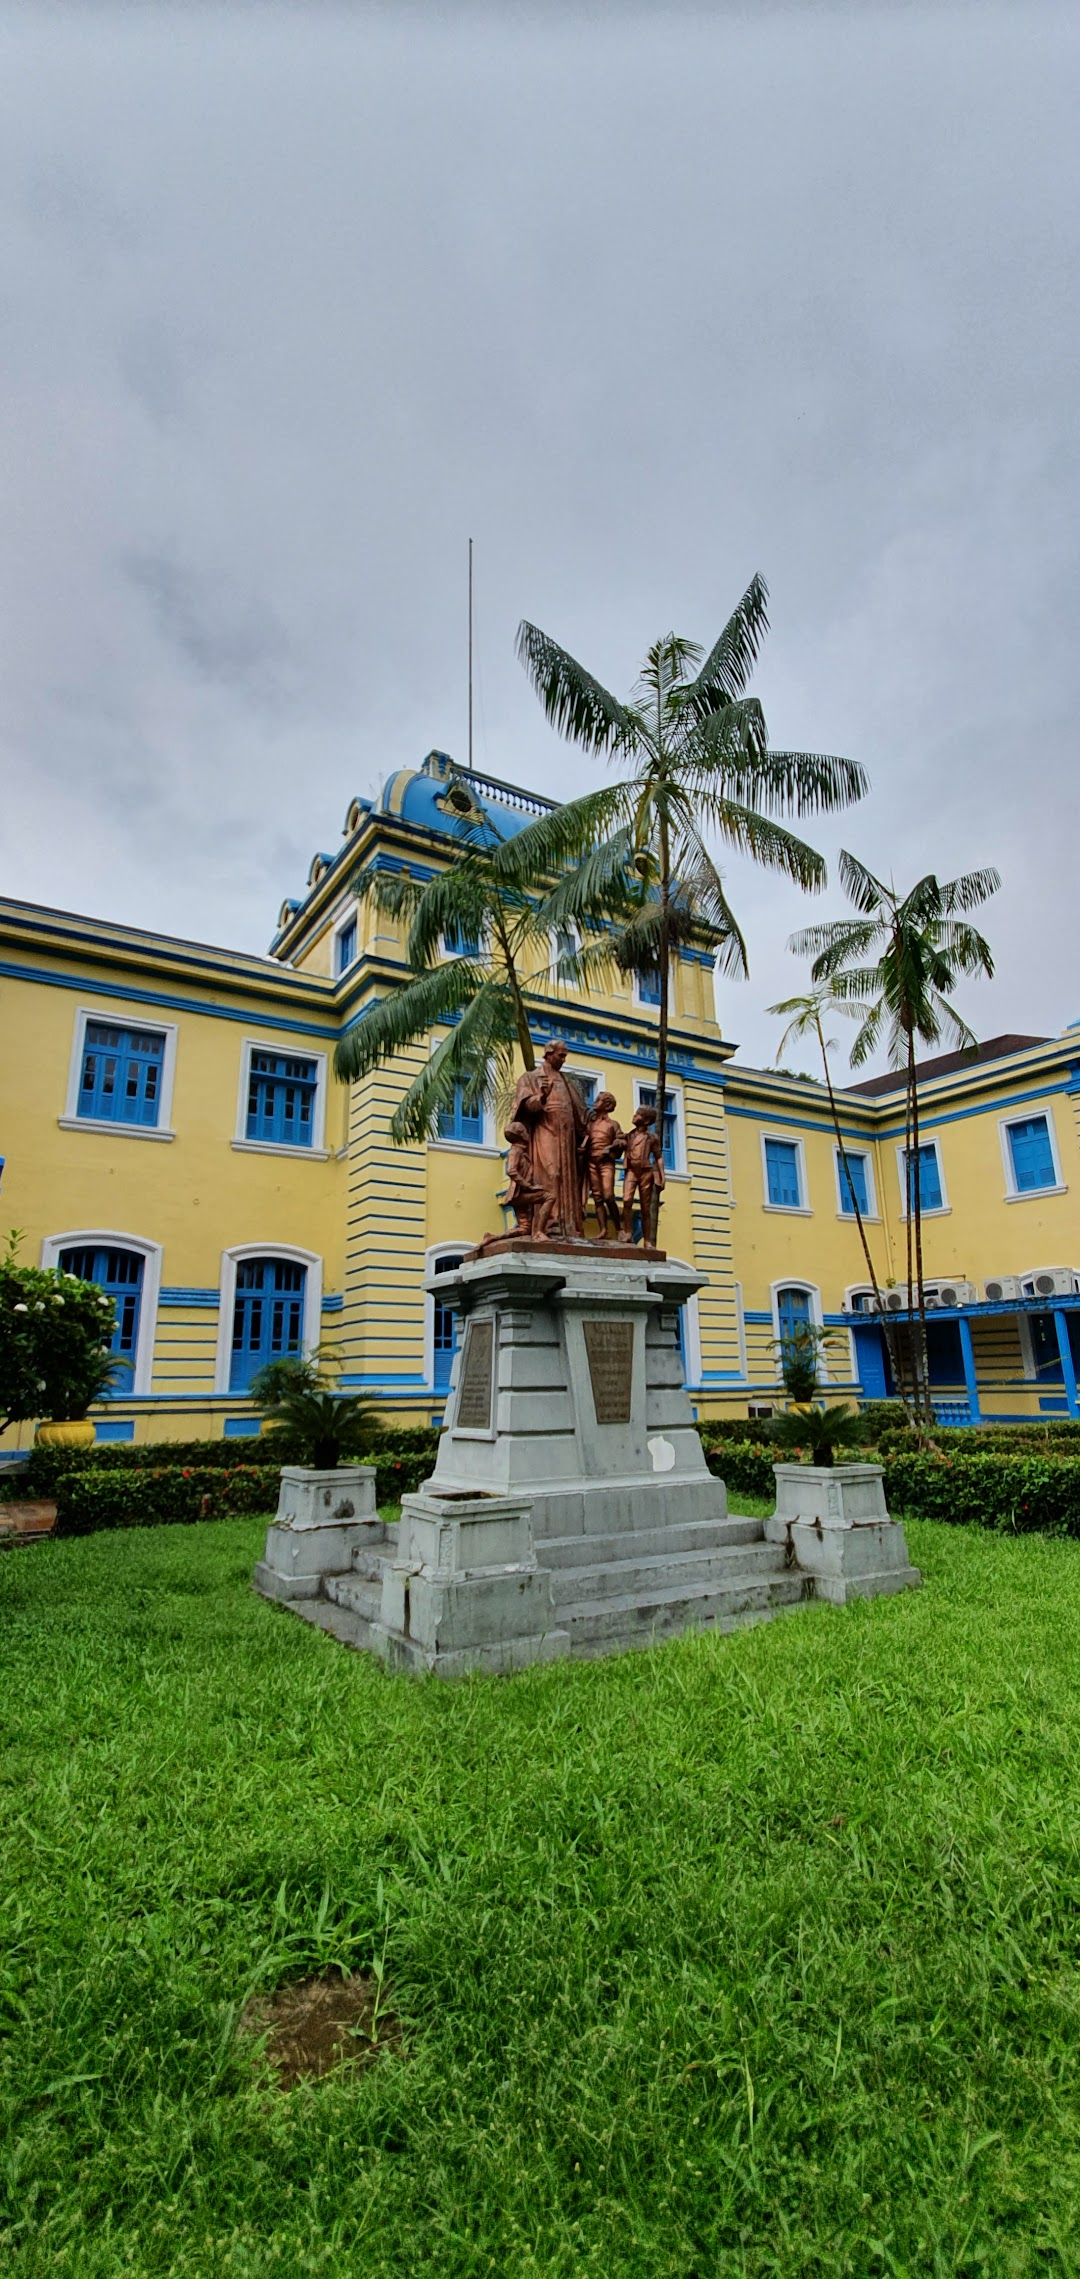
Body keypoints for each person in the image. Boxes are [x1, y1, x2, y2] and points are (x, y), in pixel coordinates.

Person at [508, 1040, 588, 1240]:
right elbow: (525, 1106)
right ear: (548, 1053)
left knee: (567, 1178)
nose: (563, 1059)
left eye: (565, 1055)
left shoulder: (566, 1082)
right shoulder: (531, 1078)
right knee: (551, 1174)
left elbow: (582, 1113)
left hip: (567, 1137)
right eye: (560, 1055)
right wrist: (542, 1097)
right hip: (545, 1131)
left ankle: (568, 1227)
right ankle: (547, 1226)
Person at [581, 1092, 625, 1240]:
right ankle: (603, 1230)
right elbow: (585, 1140)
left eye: (599, 1100)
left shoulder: (613, 1125)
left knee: (608, 1196)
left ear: (607, 1105)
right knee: (598, 1197)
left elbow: (622, 1141)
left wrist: (610, 1147)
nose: (595, 1101)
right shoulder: (591, 1125)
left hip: (606, 1162)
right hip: (592, 1162)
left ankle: (619, 1229)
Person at [621, 1104, 666, 1243]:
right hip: (631, 1171)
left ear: (646, 1121)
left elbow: (658, 1157)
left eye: (638, 1114)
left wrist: (662, 1176)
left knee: (645, 1208)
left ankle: (647, 1240)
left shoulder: (652, 1138)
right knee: (627, 1200)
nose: (634, 1116)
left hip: (646, 1173)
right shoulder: (629, 1136)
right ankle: (627, 1233)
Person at [501, 1120, 548, 1238]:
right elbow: (511, 1171)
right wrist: (529, 1186)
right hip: (518, 1194)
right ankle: (540, 1232)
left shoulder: (521, 1151)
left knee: (525, 1228)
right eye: (525, 1132)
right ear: (521, 1135)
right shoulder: (515, 1151)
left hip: (521, 1193)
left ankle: (491, 1238)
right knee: (550, 1197)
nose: (528, 1134)